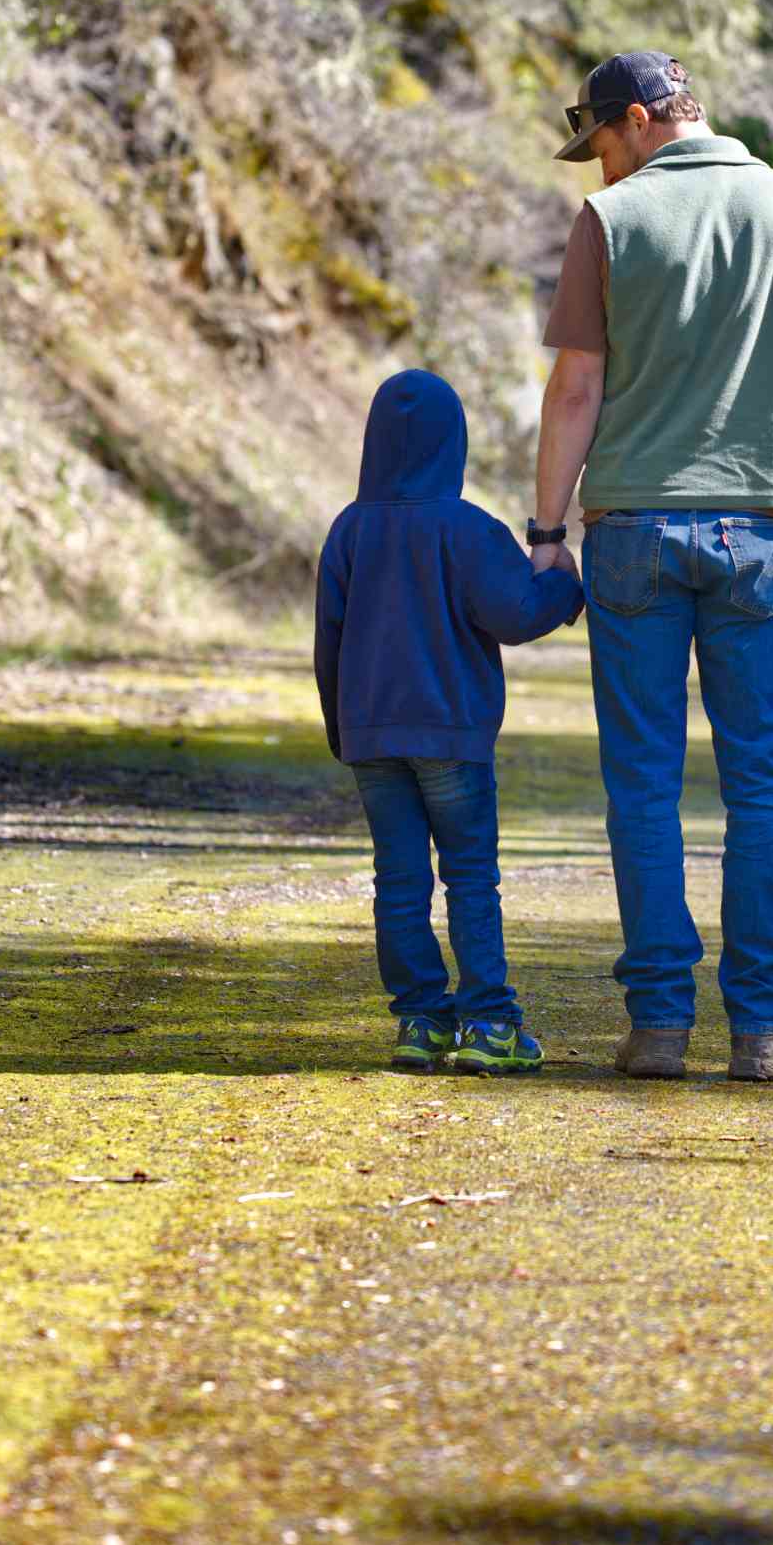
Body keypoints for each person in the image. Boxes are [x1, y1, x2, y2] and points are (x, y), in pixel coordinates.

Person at [528, 51, 773, 1082]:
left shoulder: (615, 221)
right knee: (764, 781)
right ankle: (765, 1027)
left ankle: (660, 1026)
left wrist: (547, 531)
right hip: (766, 537)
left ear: (638, 120)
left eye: (598, 144)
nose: (597, 170)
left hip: (634, 529)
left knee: (643, 786)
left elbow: (575, 391)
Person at [315, 369, 583, 1074]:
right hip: (453, 737)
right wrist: (565, 584)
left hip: (372, 738)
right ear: (452, 443)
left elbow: (329, 640)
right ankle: (490, 1024)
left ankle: (421, 1022)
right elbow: (516, 614)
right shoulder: (468, 530)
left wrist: (341, 731)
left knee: (398, 879)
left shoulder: (349, 529)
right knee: (469, 876)